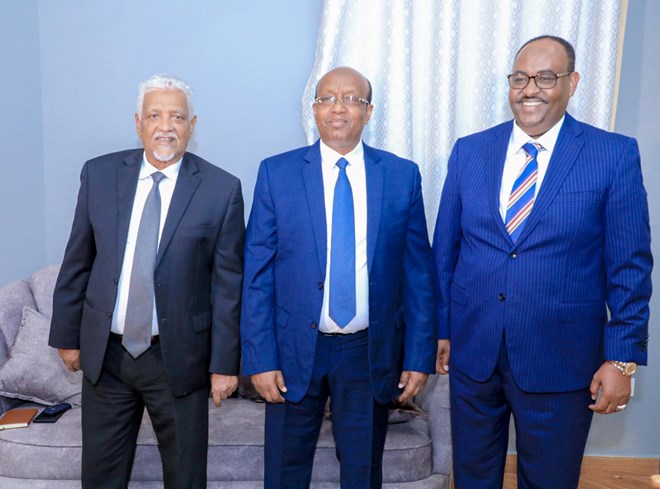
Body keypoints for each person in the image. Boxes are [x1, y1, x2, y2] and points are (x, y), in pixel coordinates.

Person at [433, 35, 652, 488]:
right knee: (471, 479)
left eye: (546, 77)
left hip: (561, 360)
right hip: (474, 355)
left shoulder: (612, 154)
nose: (530, 89)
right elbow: (445, 253)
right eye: (520, 78)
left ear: (572, 83)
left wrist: (622, 360)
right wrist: (440, 329)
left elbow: (630, 268)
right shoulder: (469, 151)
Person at [241, 66, 437, 488]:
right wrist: (260, 358)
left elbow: (418, 274)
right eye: (327, 98)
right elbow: (257, 274)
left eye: (351, 99)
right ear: (314, 109)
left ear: (368, 112)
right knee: (285, 471)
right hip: (293, 349)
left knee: (362, 471)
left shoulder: (401, 176)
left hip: (368, 350)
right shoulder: (277, 173)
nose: (338, 108)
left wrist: (419, 356)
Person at [49, 74, 245, 489]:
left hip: (179, 358)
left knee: (185, 477)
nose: (166, 127)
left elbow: (228, 286)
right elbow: (78, 260)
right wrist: (67, 337)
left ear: (193, 125)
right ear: (138, 122)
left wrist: (224, 364)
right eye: (155, 116)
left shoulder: (221, 189)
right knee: (101, 477)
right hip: (108, 357)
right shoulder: (100, 174)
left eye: (177, 117)